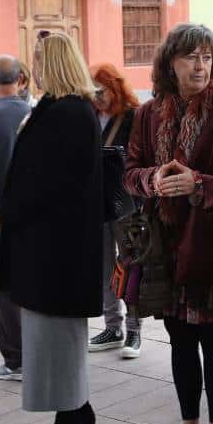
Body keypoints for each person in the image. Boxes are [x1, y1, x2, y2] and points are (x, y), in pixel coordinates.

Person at [125, 24, 213, 424]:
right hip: (166, 246)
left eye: (206, 57)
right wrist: (153, 179)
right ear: (169, 64)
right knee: (180, 343)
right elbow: (130, 169)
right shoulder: (147, 113)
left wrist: (200, 183)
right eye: (190, 58)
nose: (200, 66)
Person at [0, 32, 103, 424]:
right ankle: (78, 412)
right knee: (57, 338)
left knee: (55, 339)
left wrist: (13, 210)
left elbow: (48, 183)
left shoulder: (69, 113)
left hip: (57, 250)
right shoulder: (62, 109)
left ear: (54, 63)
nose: (33, 67)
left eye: (39, 59)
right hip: (51, 246)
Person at [88, 62, 142, 358]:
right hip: (97, 204)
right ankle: (113, 325)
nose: (97, 96)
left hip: (126, 204)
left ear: (115, 87)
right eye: (92, 90)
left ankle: (134, 328)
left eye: (101, 90)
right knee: (105, 266)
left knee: (131, 263)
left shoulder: (132, 116)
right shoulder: (89, 115)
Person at [0, 54, 31, 382]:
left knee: (1, 288)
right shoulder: (36, 113)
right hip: (31, 215)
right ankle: (37, 351)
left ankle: (15, 358)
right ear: (21, 80)